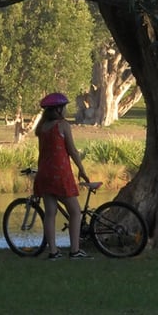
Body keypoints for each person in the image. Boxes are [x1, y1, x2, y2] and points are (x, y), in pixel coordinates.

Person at [35, 93, 91, 260]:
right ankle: (74, 250)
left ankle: (53, 252)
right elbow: (72, 150)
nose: (65, 110)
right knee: (75, 212)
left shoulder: (42, 128)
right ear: (58, 109)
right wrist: (81, 169)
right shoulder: (63, 125)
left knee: (50, 213)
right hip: (60, 174)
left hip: (44, 173)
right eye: (64, 107)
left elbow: (42, 152)